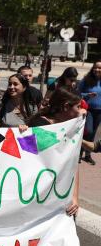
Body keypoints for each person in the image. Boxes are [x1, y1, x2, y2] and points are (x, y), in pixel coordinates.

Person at [28, 88, 85, 217]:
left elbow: (73, 164)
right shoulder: (40, 125)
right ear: (66, 107)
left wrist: (74, 198)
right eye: (78, 106)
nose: (81, 110)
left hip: (61, 194)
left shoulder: (72, 126)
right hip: (39, 194)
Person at [78, 61, 101, 165]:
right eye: (95, 67)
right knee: (88, 131)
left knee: (93, 133)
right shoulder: (86, 80)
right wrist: (87, 95)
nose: (97, 70)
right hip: (89, 110)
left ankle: (87, 155)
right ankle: (79, 153)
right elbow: (77, 93)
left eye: (99, 68)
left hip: (99, 111)